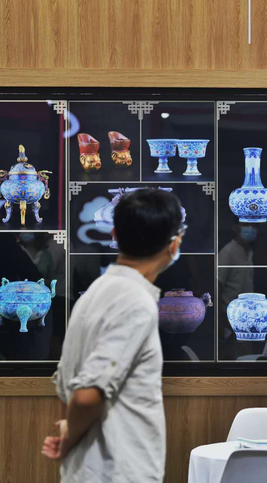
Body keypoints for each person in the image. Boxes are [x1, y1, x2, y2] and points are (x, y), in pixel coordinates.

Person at [42, 189, 185, 482]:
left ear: (115, 233)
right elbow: (86, 394)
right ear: (174, 244)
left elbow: (66, 380)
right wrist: (70, 438)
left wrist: (70, 429)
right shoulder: (135, 301)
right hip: (118, 471)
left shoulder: (94, 292)